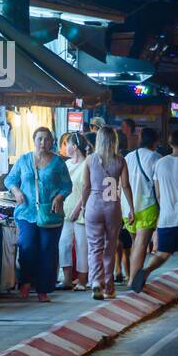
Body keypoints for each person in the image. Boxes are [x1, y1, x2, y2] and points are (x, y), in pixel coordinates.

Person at [130, 129, 178, 305]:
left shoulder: (161, 163)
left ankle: (146, 270)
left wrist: (163, 210)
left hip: (166, 217)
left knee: (163, 253)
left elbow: (157, 193)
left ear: (170, 144)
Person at [7, 126, 72, 303]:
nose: (43, 142)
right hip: (26, 212)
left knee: (47, 251)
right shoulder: (24, 160)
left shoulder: (58, 163)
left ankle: (43, 289)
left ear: (52, 141)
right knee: (27, 246)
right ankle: (26, 282)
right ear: (34, 141)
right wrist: (16, 191)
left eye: (47, 139)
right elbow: (10, 180)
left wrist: (59, 197)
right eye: (40, 139)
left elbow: (67, 186)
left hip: (50, 213)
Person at [72, 126, 135, 300]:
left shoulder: (90, 160)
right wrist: (131, 208)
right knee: (110, 247)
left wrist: (84, 206)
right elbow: (126, 185)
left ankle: (96, 282)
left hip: (94, 205)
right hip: (112, 207)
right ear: (114, 141)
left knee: (94, 247)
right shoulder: (120, 161)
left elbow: (86, 187)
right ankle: (109, 286)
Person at [124, 128, 161, 287]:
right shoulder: (155, 158)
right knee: (141, 244)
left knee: (135, 244)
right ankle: (133, 280)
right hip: (147, 205)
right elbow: (158, 186)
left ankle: (132, 276)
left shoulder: (128, 157)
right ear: (155, 141)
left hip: (127, 207)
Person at [57, 132, 90, 291]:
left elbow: (86, 189)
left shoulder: (86, 165)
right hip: (65, 212)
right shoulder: (67, 164)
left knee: (82, 246)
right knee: (64, 244)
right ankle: (67, 279)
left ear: (75, 147)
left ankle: (82, 281)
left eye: (67, 144)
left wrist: (79, 208)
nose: (65, 147)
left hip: (81, 211)